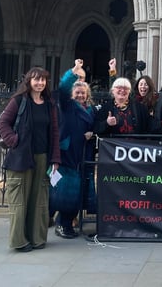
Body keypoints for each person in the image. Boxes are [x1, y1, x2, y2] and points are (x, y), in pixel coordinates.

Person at [0, 67, 61, 252]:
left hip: (42, 157)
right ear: (29, 81)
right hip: (21, 157)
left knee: (39, 200)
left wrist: (55, 158)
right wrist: (13, 140)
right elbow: (3, 123)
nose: (40, 83)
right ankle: (19, 241)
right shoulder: (19, 101)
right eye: (36, 79)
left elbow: (54, 133)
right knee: (19, 201)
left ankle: (37, 239)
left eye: (43, 80)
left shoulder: (49, 104)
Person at [53, 59, 96, 239]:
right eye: (77, 92)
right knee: (66, 193)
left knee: (80, 192)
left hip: (84, 155)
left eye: (83, 93)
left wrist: (91, 134)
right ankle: (63, 224)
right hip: (68, 153)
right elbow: (63, 88)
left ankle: (70, 221)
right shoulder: (67, 105)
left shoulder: (91, 109)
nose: (80, 95)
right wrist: (73, 72)